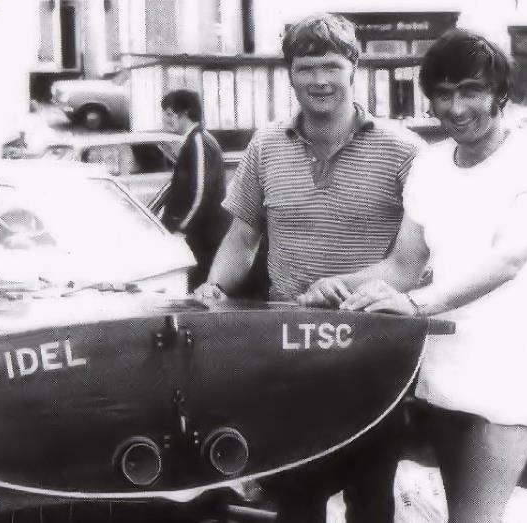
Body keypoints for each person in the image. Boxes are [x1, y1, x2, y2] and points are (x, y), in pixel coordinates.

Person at [299, 29, 527, 523]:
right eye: (443, 94)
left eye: (472, 90)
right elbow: (402, 266)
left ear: (499, 93)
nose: (457, 107)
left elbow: (509, 259)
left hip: (508, 366)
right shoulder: (429, 165)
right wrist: (334, 285)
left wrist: (419, 305)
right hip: (442, 366)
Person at [195, 13, 422, 523]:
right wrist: (213, 285)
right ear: (289, 73)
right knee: (296, 491)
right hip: (287, 349)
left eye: (330, 66)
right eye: (305, 68)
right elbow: (243, 236)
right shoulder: (265, 145)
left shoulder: (404, 149)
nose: (319, 80)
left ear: (353, 68)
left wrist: (351, 290)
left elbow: (418, 261)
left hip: (373, 348)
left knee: (370, 492)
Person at [160, 89, 230, 290]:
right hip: (202, 236)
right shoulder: (197, 140)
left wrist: (182, 228)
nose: (166, 119)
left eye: (170, 114)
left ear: (185, 113)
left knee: (198, 292)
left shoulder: (198, 141)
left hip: (203, 238)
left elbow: (200, 193)